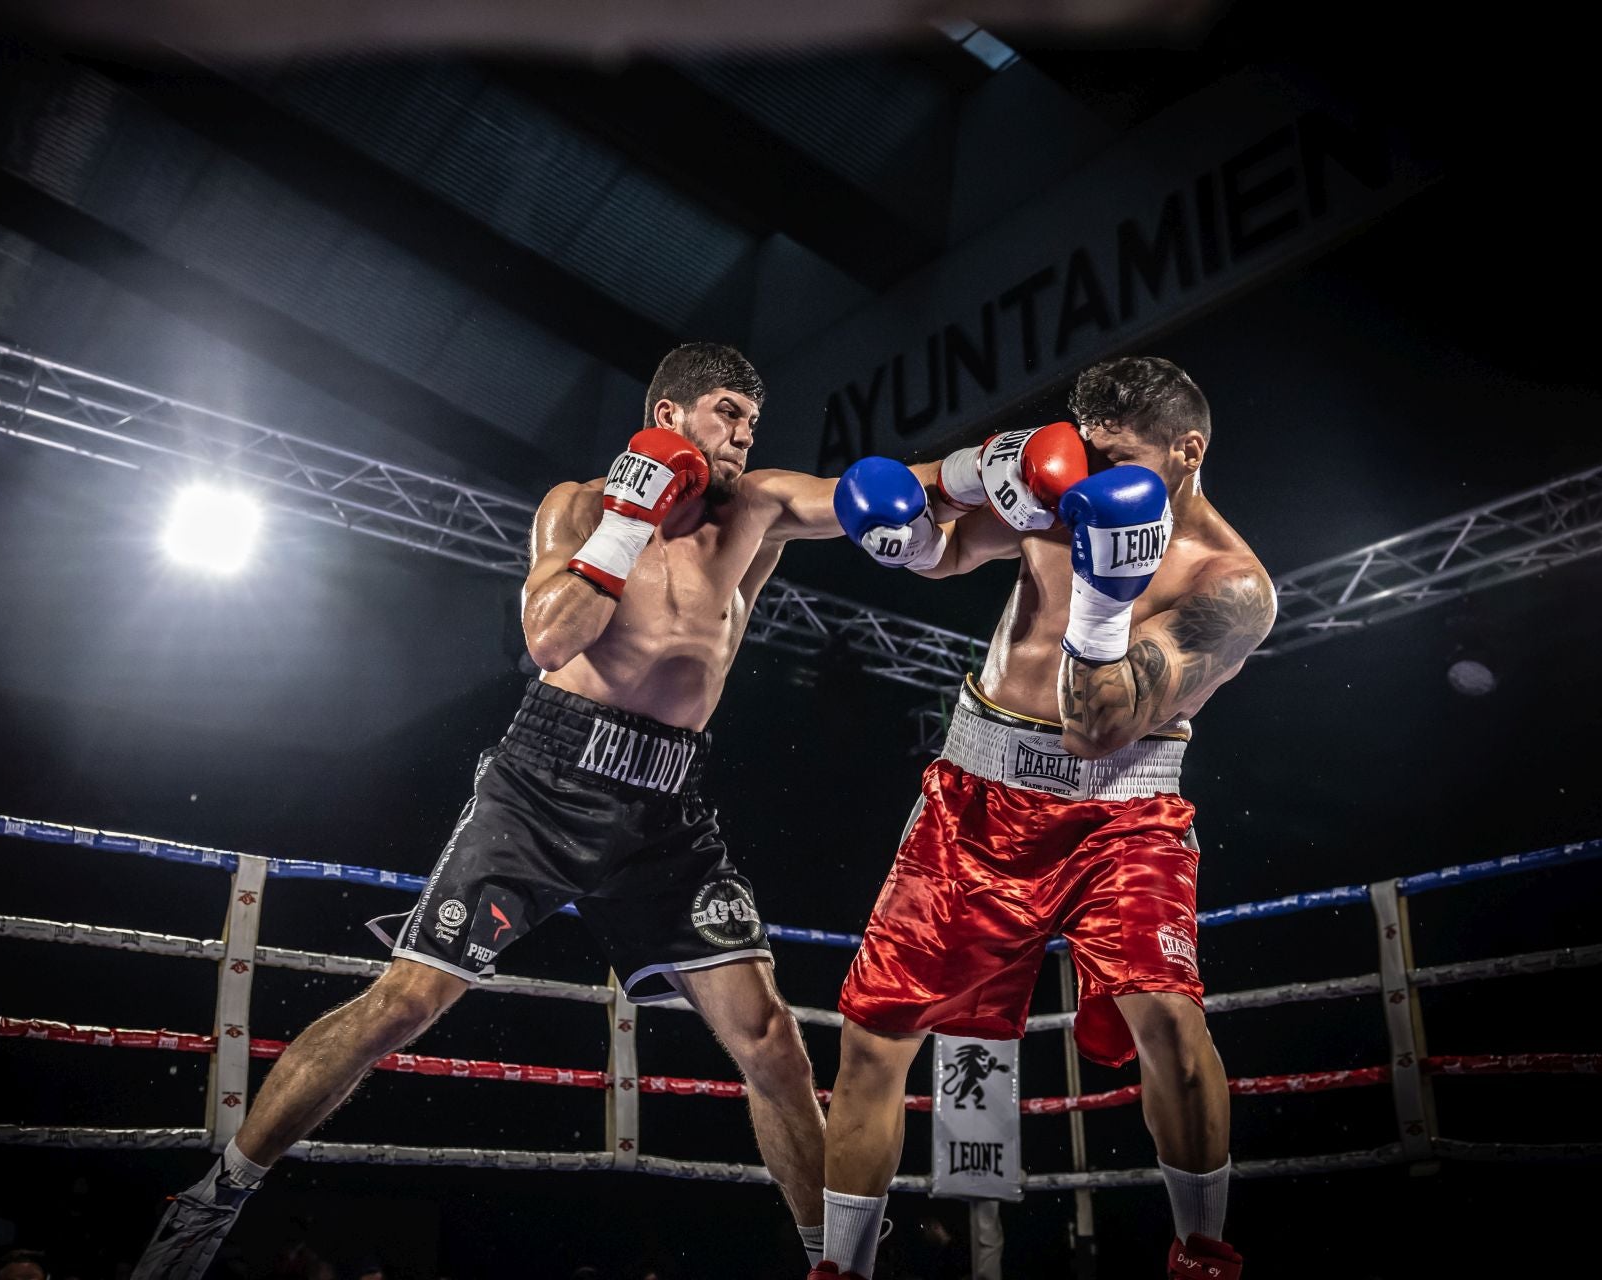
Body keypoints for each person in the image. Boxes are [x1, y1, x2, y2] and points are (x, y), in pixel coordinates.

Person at [132, 342, 857, 1279]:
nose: (745, 433)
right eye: (728, 411)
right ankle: (215, 1197)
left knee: (773, 1043)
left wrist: (989, 473)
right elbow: (552, 638)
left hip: (666, 807)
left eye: (753, 419)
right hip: (545, 783)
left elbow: (874, 496)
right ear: (671, 414)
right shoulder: (582, 504)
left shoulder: (755, 508)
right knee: (406, 1001)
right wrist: (631, 517)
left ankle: (834, 1264)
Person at [818, 357, 1274, 1280]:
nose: (1092, 477)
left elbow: (1098, 723)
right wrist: (909, 532)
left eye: (1122, 459)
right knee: (872, 1042)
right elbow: (945, 547)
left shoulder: (1233, 588)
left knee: (1173, 1033)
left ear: (1188, 453)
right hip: (977, 796)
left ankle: (1203, 1252)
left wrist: (1106, 595)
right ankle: (839, 1268)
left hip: (1124, 811)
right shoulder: (1057, 488)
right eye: (1087, 452)